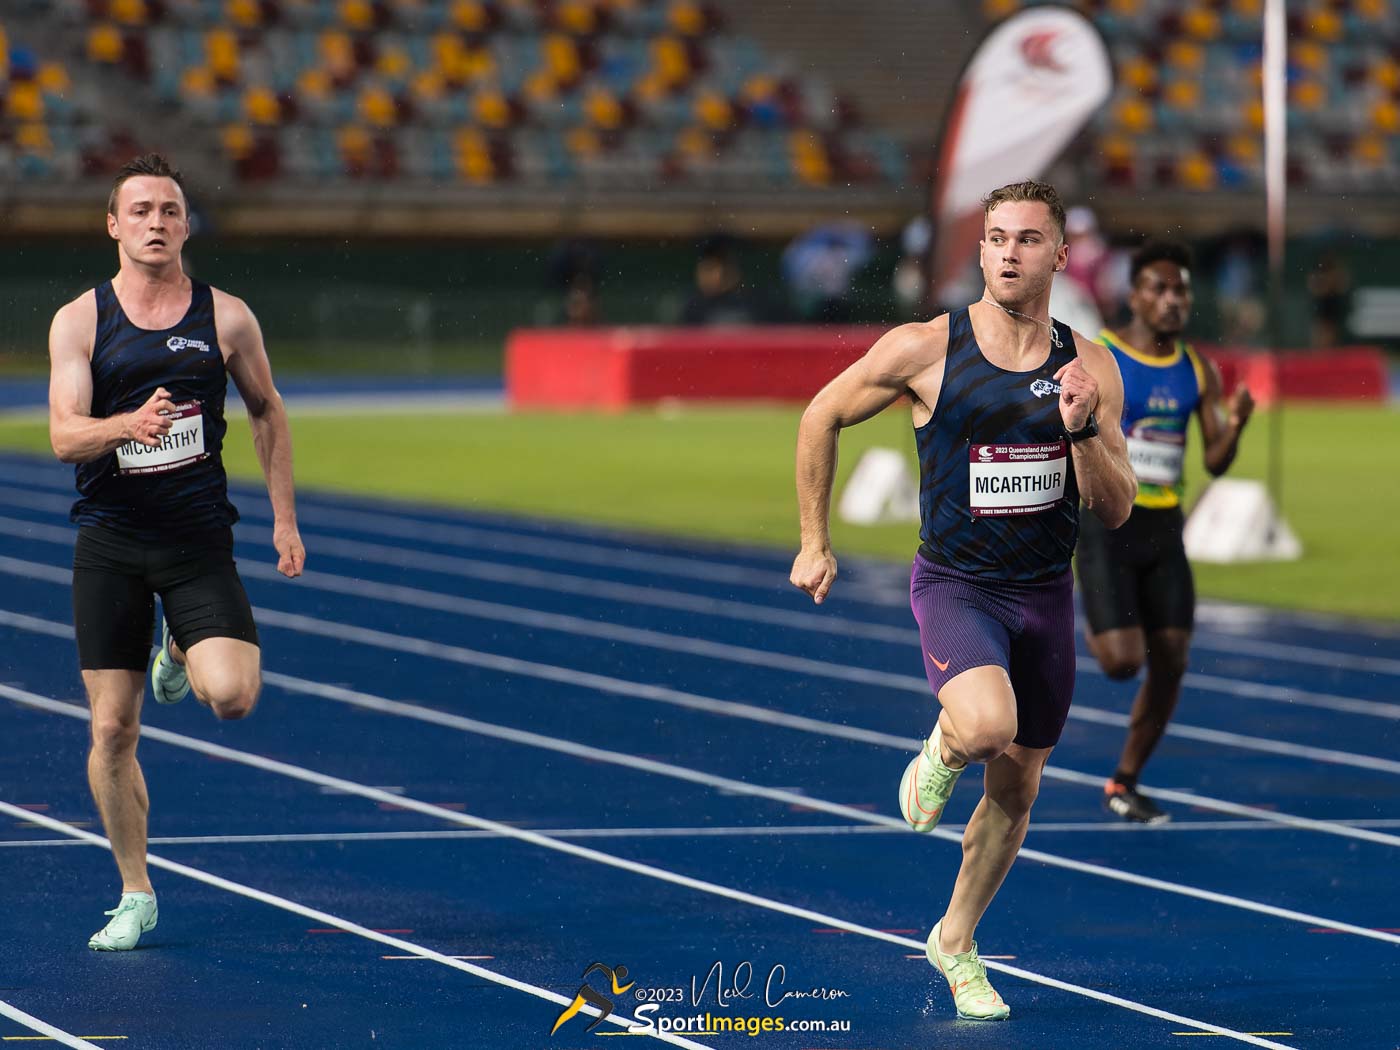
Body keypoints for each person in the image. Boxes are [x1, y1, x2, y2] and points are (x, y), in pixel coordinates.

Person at [790, 180, 1135, 1022]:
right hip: (959, 586)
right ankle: (943, 748)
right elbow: (821, 414)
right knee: (984, 726)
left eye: (1026, 239)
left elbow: (1117, 506)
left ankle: (954, 939)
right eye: (994, 238)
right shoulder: (925, 348)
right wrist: (813, 539)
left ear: (1060, 254)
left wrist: (1085, 428)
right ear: (978, 250)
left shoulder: (1089, 366)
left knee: (1016, 796)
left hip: (1044, 597)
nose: (1008, 253)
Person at [46, 153, 305, 951]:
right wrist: (129, 425)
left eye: (171, 210)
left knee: (232, 698)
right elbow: (63, 436)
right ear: (114, 225)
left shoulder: (226, 318)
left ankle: (181, 643)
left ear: (187, 225)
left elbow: (267, 410)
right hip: (112, 545)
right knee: (113, 730)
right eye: (142, 210)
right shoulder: (79, 321)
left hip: (197, 544)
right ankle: (135, 892)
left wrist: (284, 520)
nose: (157, 223)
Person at [1077, 241, 1254, 824]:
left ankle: (1124, 782)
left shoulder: (1197, 368)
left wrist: (1238, 424)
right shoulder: (1101, 357)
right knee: (1122, 663)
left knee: (1173, 655)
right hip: (1108, 523)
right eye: (1160, 289)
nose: (1173, 300)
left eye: (1181, 290)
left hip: (1166, 528)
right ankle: (1077, 610)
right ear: (1135, 296)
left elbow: (1216, 462)